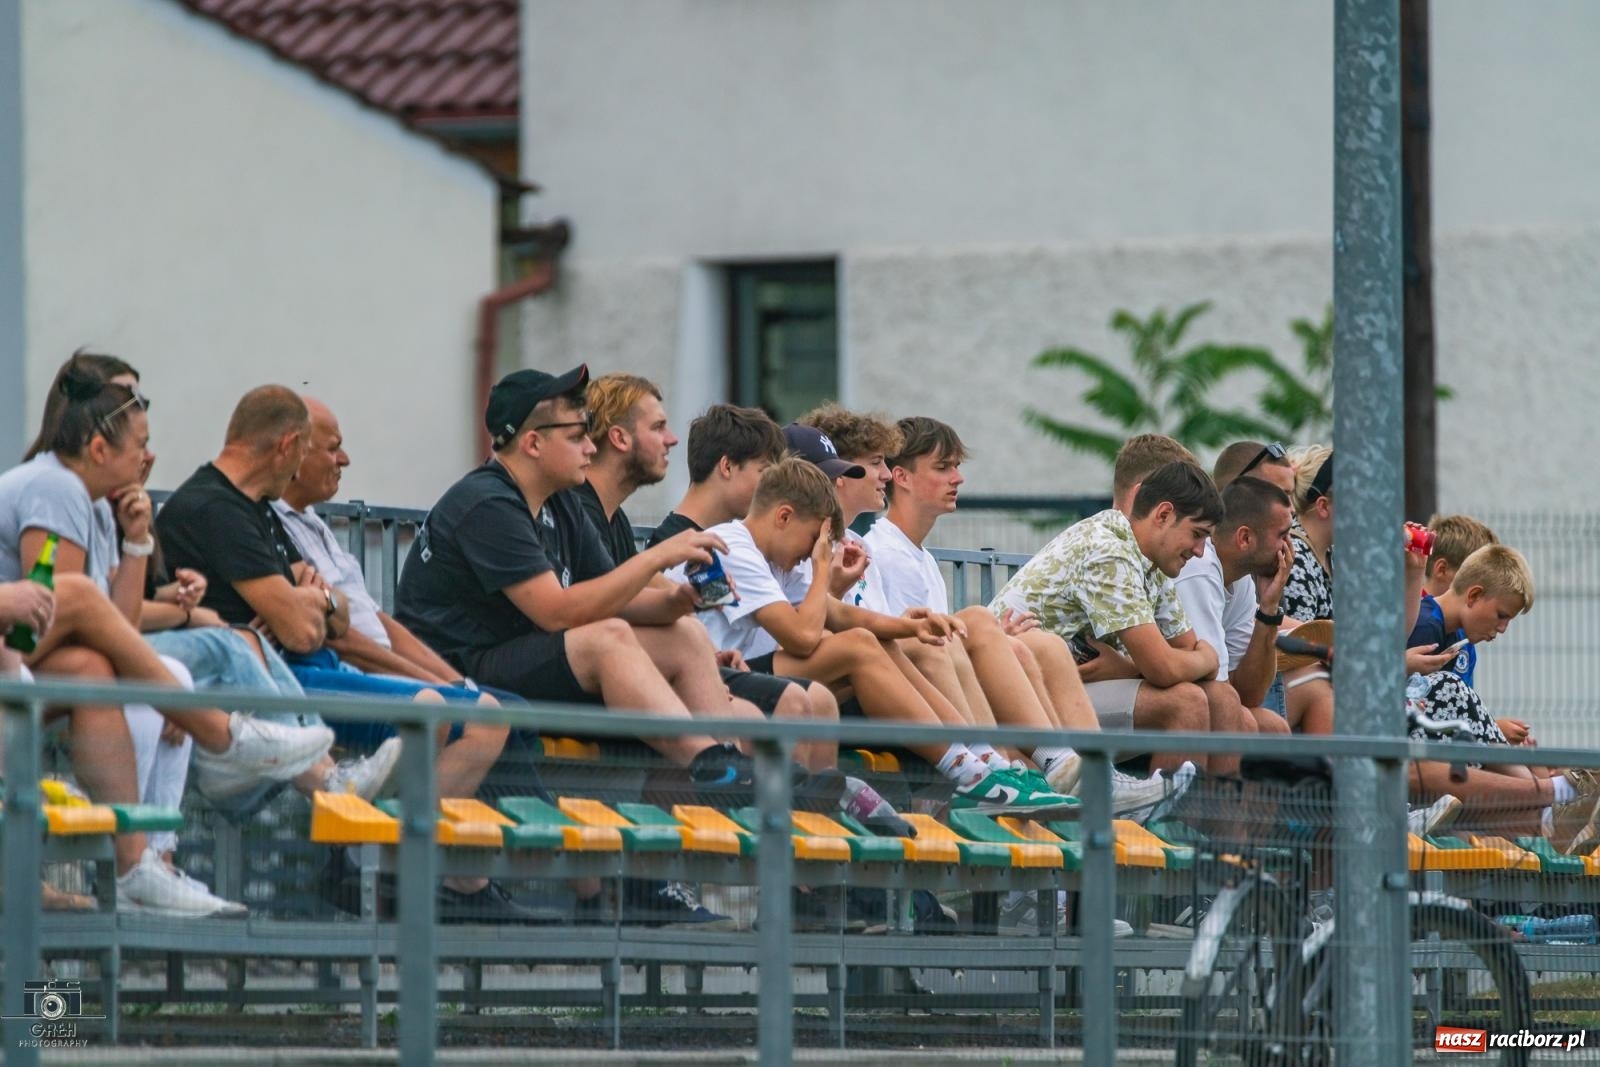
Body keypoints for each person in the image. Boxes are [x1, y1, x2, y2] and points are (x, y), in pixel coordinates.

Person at [0, 369, 334, 917]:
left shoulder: (96, 503)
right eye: (141, 444)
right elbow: (64, 609)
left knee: (94, 668)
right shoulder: (56, 486)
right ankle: (224, 736)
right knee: (122, 616)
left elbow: (116, 627)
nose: (149, 457)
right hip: (13, 654)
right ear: (100, 448)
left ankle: (140, 864)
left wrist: (137, 544)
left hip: (21, 659)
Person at [393, 365, 779, 799]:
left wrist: (677, 602)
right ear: (533, 443)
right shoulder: (487, 502)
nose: (591, 448)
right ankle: (706, 761)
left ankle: (729, 767)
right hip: (456, 671)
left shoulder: (561, 503)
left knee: (685, 634)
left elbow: (614, 595)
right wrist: (657, 556)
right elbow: (556, 613)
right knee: (606, 638)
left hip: (521, 658)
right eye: (577, 436)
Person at [575, 375, 903, 832]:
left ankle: (811, 840)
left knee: (827, 685)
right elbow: (797, 634)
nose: (671, 439)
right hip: (634, 674)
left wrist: (704, 647)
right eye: (765, 471)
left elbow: (679, 608)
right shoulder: (711, 540)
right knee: (829, 671)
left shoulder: (643, 527)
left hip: (700, 665)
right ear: (728, 467)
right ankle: (958, 761)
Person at [676, 456, 1077, 817]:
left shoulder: (777, 554)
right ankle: (966, 771)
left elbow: (839, 614)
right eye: (814, 540)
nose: (813, 553)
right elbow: (801, 637)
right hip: (712, 680)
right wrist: (822, 569)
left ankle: (982, 760)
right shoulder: (734, 548)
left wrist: (910, 627)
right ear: (783, 517)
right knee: (857, 646)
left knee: (874, 640)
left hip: (748, 671)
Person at [865, 414, 1180, 815]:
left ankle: (1092, 774)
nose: (958, 478)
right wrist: (980, 634)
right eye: (943, 467)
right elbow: (907, 647)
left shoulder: (919, 556)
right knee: (988, 626)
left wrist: (991, 639)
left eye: (957, 466)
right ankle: (1056, 771)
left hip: (938, 685)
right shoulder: (885, 550)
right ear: (901, 477)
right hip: (913, 700)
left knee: (1042, 645)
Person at [990, 456, 1229, 774]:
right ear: (1163, 514)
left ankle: (1211, 806)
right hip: (1017, 703)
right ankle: (1161, 806)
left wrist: (1132, 668)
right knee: (1186, 703)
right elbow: (1164, 668)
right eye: (1197, 534)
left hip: (1062, 693)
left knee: (1220, 696)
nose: (1200, 551)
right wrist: (1208, 658)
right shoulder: (1108, 550)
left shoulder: (1150, 559)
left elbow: (1181, 658)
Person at [1173, 475, 1296, 728]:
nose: (1289, 548)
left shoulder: (1241, 580)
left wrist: (1269, 609)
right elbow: (1218, 690)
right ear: (1245, 538)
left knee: (1273, 727)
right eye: (1283, 535)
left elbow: (1250, 695)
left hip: (1197, 697)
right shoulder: (1200, 567)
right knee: (1241, 716)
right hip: (1157, 694)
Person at [647, 404, 787, 548]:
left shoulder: (731, 541)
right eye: (766, 471)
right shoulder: (669, 549)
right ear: (727, 467)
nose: (774, 485)